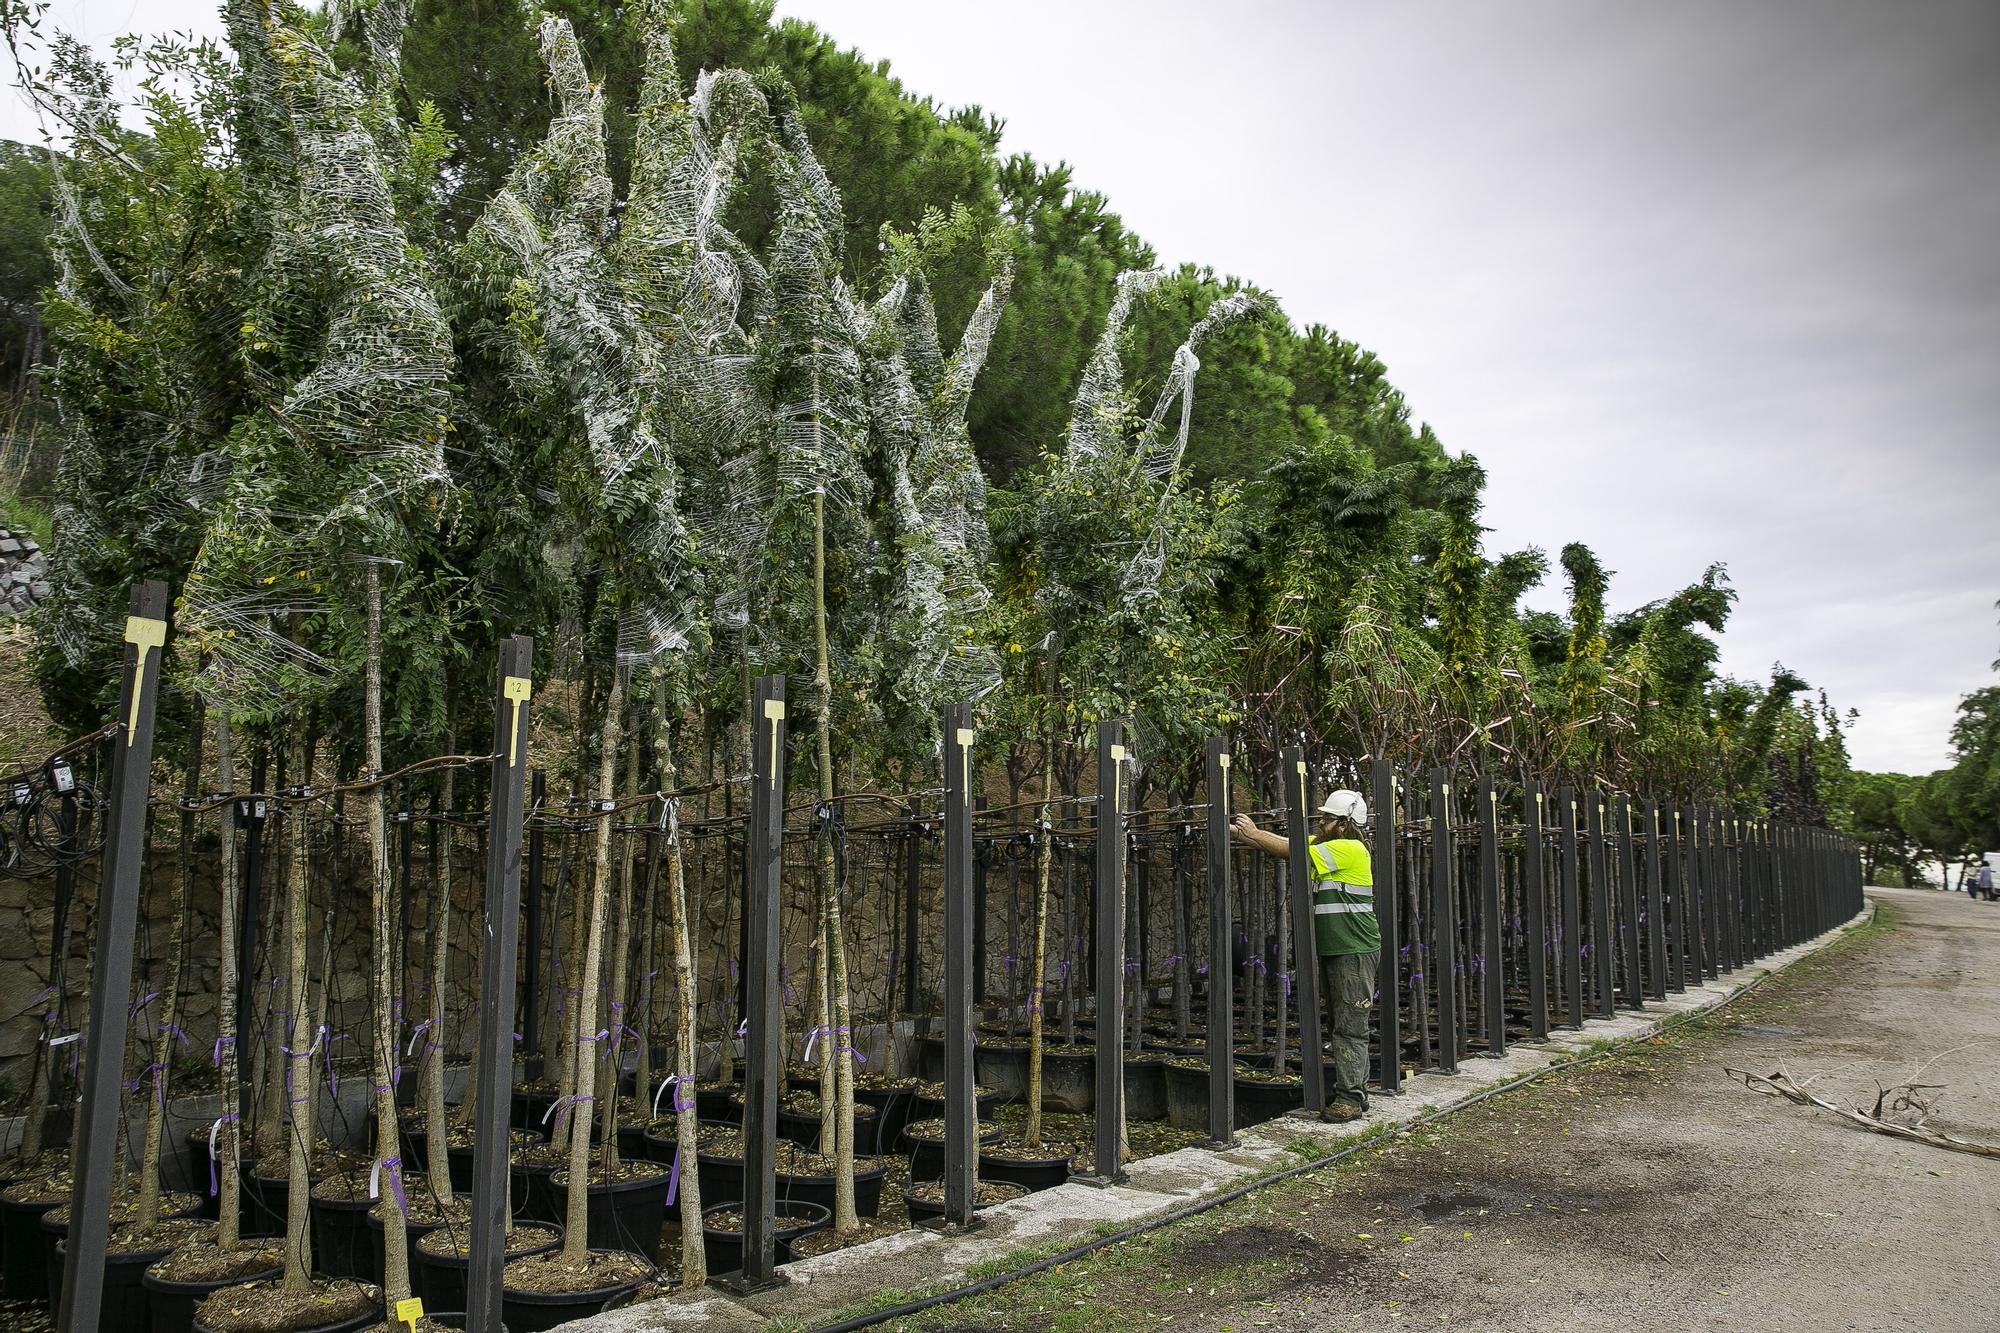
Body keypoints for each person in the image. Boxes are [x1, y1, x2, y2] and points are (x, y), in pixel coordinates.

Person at [1232, 789, 1378, 1123]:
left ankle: (1351, 1099)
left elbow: (1292, 850)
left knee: (1350, 1025)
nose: (1321, 823)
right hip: (1336, 949)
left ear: (1345, 824)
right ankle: (1353, 1091)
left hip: (1353, 949)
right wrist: (1245, 835)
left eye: (1327, 818)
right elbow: (1284, 845)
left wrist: (1254, 833)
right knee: (1339, 1023)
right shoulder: (1329, 845)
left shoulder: (1350, 848)